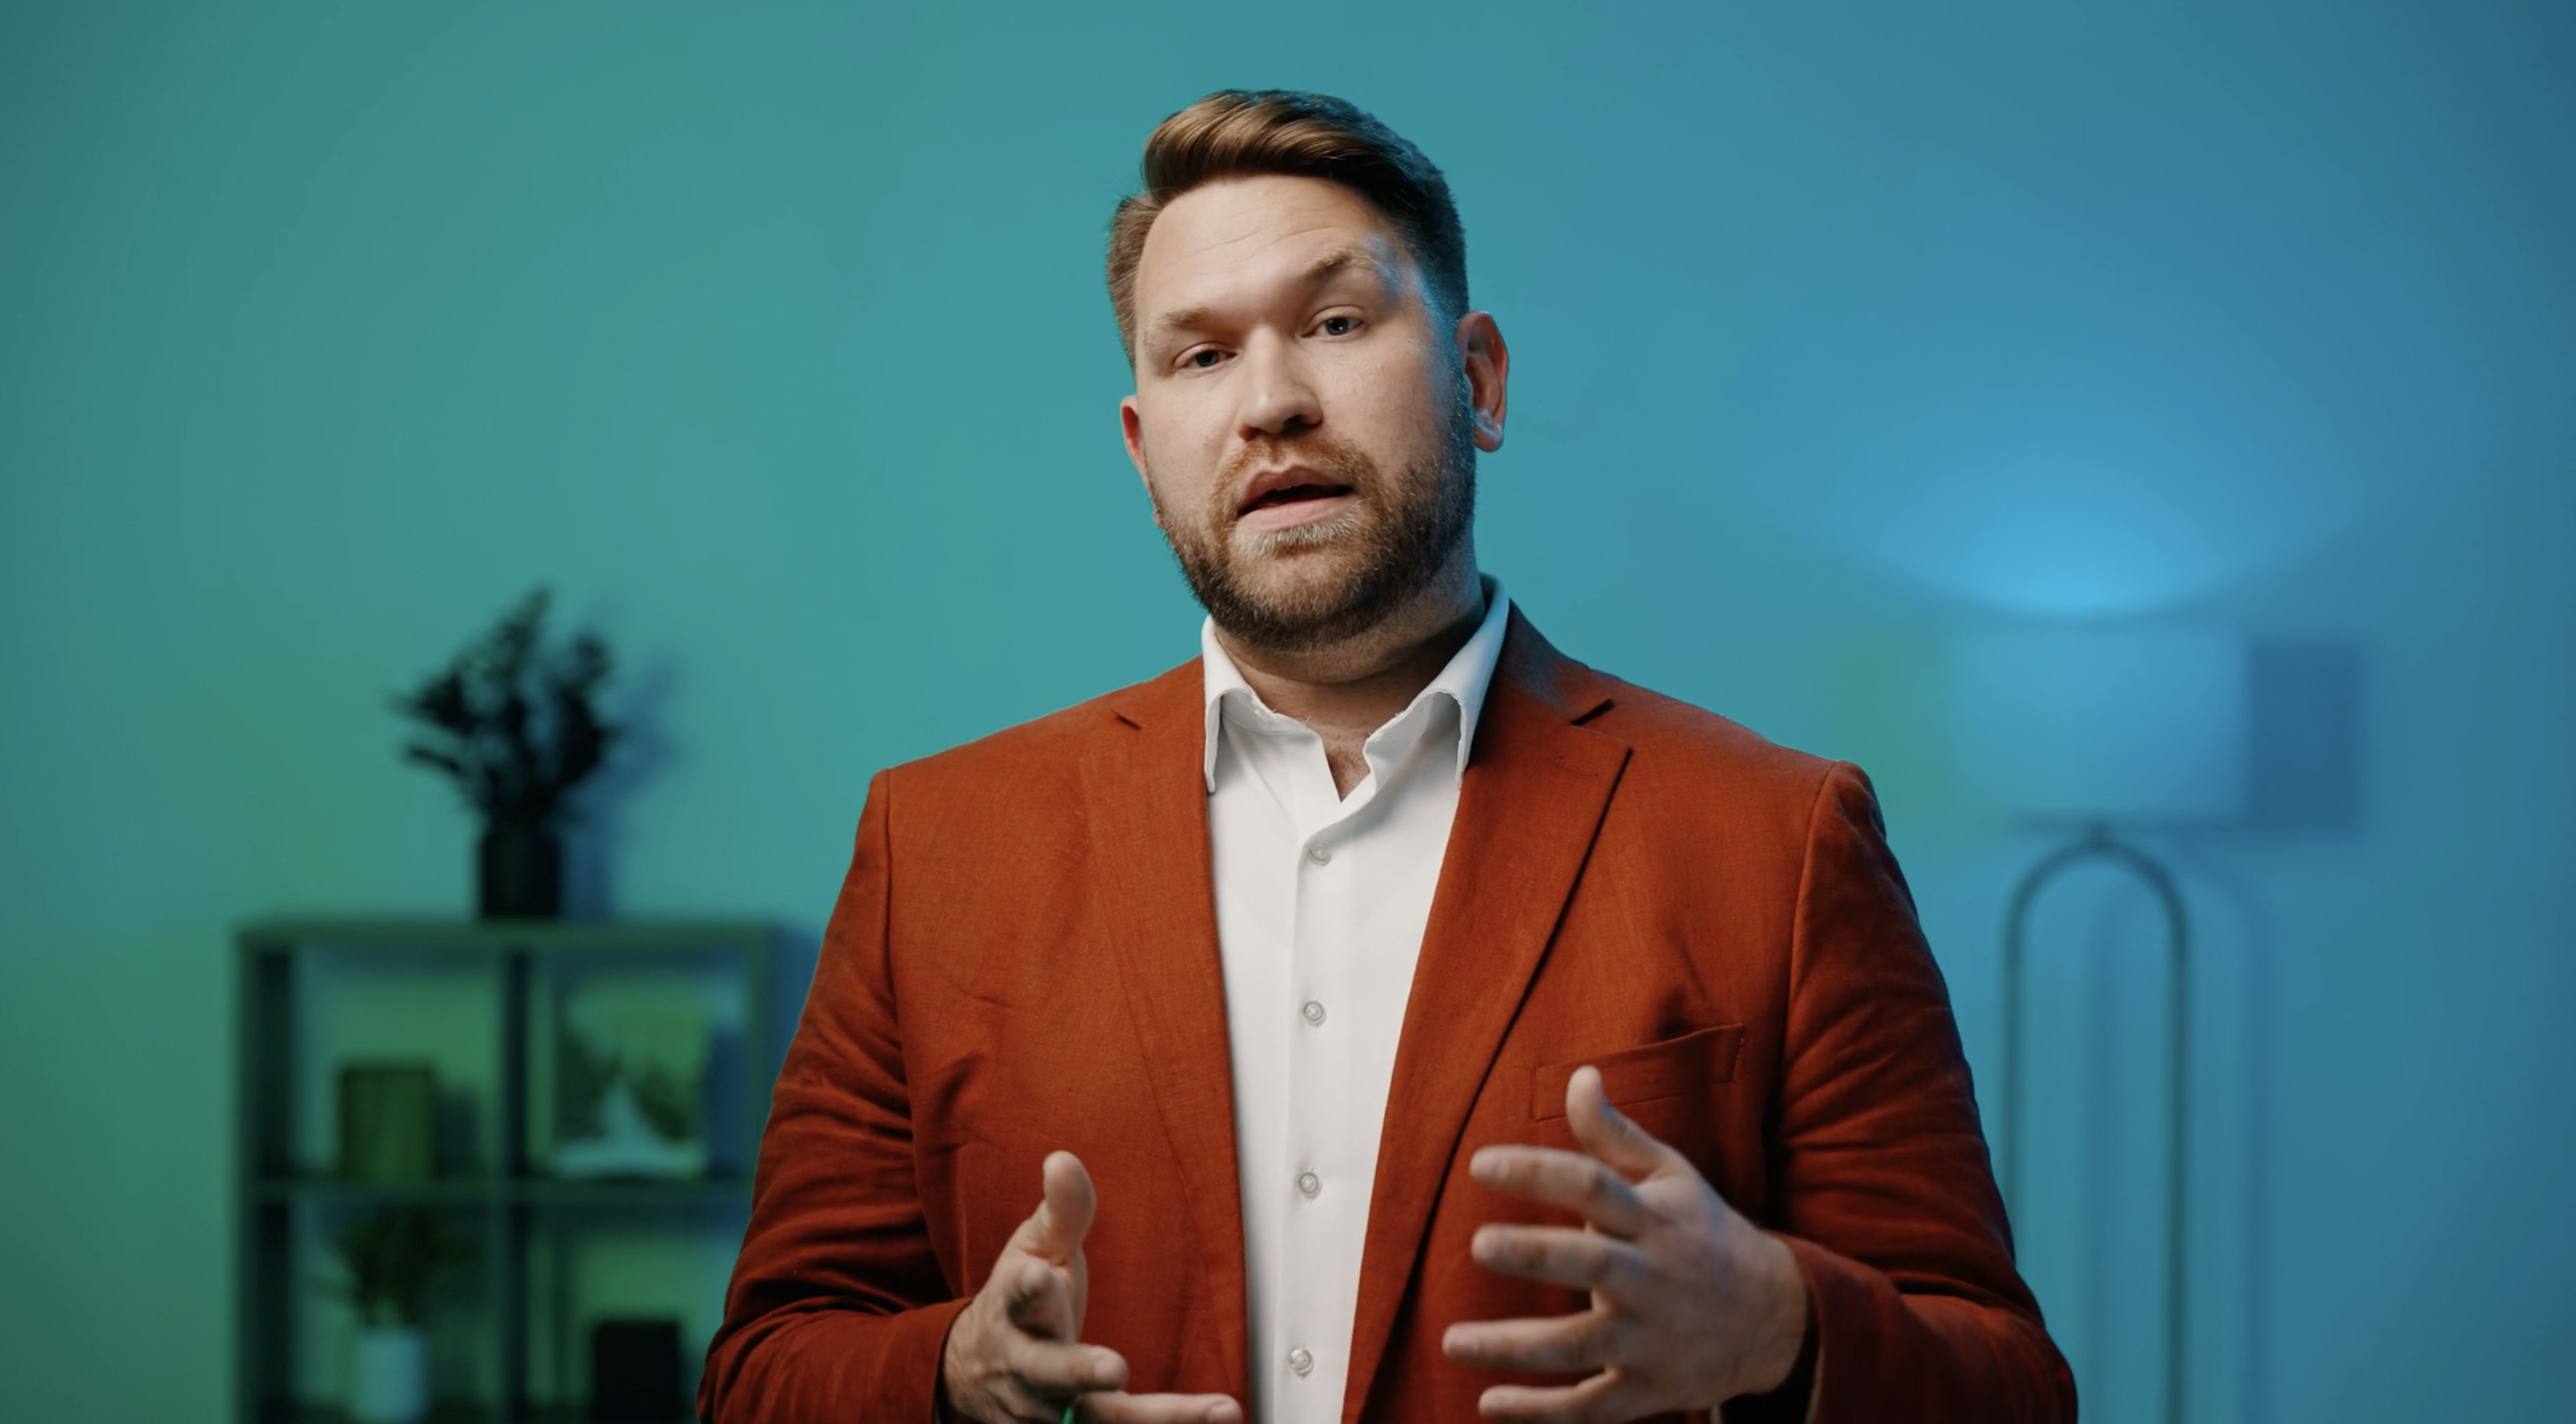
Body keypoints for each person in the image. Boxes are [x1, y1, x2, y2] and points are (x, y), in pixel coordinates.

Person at [699, 90, 2074, 1424]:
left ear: (1476, 380)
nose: (1271, 404)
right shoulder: (936, 847)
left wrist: (1781, 1327)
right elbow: (763, 1370)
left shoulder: (1778, 837)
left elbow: (2007, 1384)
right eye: (1199, 356)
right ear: (1142, 447)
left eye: (1338, 322)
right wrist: (953, 1375)